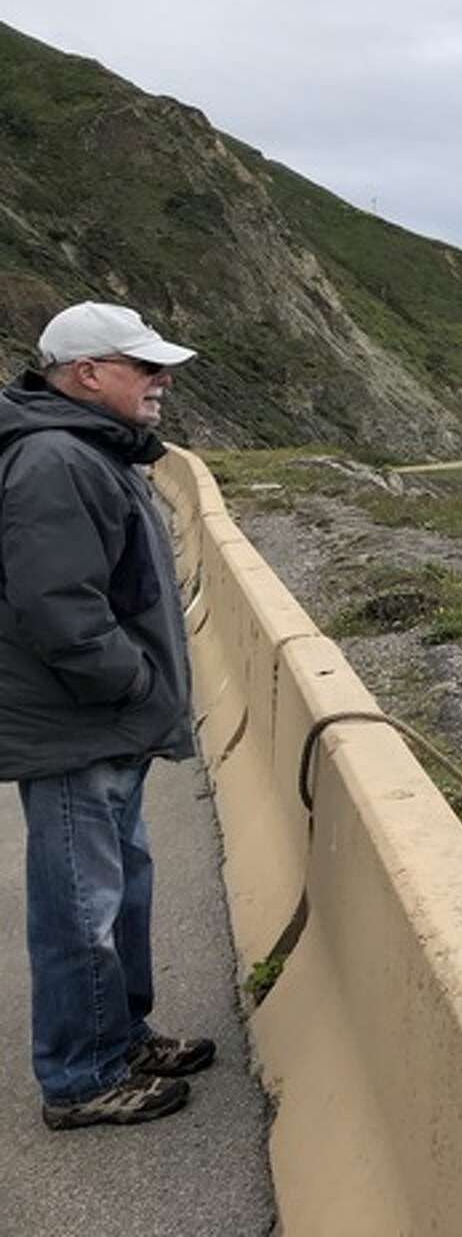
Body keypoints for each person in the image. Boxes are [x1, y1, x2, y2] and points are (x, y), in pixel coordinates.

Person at [0, 302, 215, 1130]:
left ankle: (119, 1036)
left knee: (117, 890)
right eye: (144, 366)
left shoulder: (88, 448)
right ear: (88, 374)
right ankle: (82, 1076)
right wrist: (131, 682)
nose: (163, 381)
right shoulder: (57, 457)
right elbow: (59, 607)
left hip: (101, 723)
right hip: (77, 724)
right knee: (80, 906)